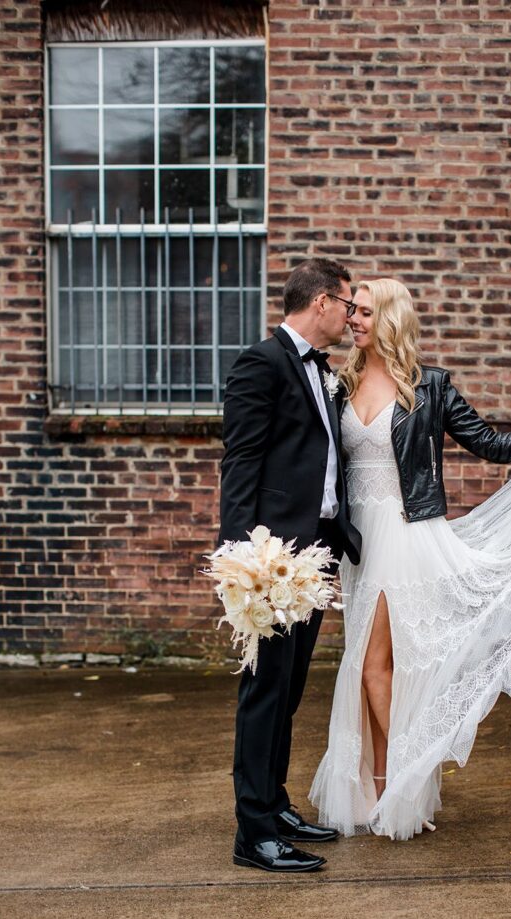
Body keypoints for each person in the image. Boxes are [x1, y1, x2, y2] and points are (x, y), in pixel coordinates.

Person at [309, 278, 511, 840]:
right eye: (352, 310)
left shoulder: (429, 387)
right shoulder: (339, 384)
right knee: (374, 669)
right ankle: (385, 786)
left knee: (372, 666)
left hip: (407, 534)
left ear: (388, 318)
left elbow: (490, 444)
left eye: (364, 311)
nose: (353, 319)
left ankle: (406, 776)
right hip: (358, 544)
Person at [218, 257, 362, 872]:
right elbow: (241, 460)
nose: (353, 317)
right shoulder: (262, 362)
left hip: (316, 550)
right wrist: (242, 554)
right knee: (265, 688)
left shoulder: (325, 372)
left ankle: (273, 803)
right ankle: (253, 833)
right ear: (323, 301)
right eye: (348, 305)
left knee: (290, 687)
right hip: (273, 559)